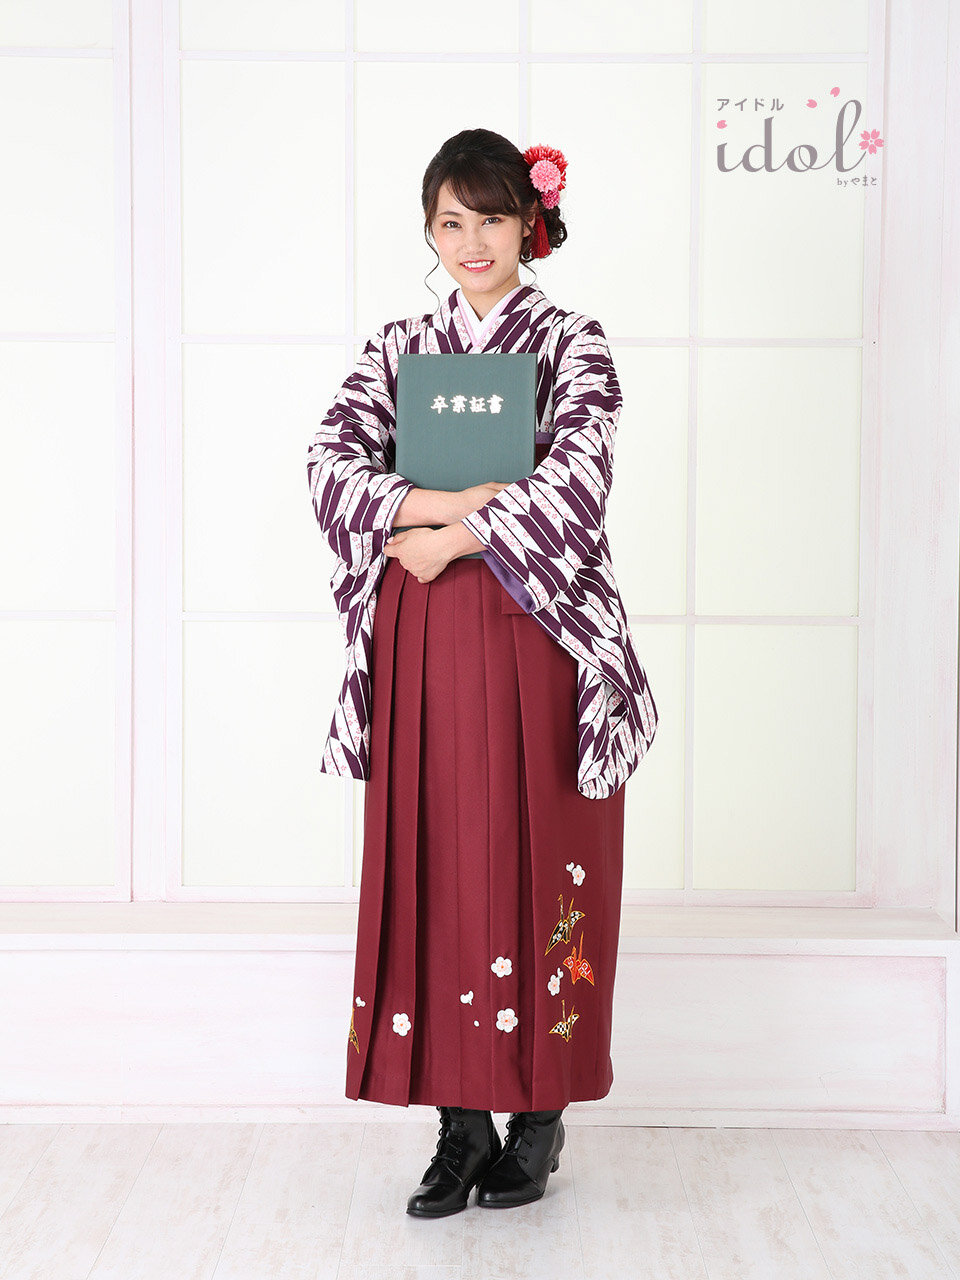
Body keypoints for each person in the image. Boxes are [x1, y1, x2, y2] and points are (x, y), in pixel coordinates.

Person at [307, 128, 659, 1218]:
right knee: (438, 853)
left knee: (540, 846)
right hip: (420, 628)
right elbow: (329, 464)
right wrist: (445, 507)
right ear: (429, 230)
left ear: (529, 225)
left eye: (492, 218)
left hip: (536, 626)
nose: (471, 242)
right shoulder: (401, 346)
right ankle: (459, 1126)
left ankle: (538, 1117)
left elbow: (580, 475)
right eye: (450, 221)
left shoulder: (571, 341)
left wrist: (455, 535)